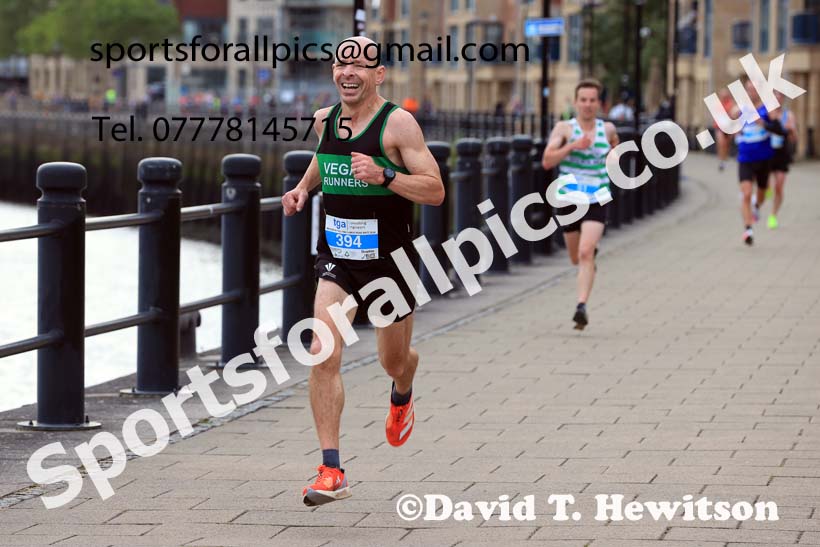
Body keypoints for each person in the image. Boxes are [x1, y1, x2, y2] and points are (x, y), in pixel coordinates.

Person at [281, 35, 445, 507]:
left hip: (390, 264)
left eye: (360, 65)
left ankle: (404, 384)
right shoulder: (324, 120)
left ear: (379, 74)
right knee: (320, 349)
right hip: (337, 258)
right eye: (340, 63)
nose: (348, 72)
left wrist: (386, 175)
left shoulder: (399, 125)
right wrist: (303, 188)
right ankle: (331, 469)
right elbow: (324, 159)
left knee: (391, 360)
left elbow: (434, 190)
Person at [541, 78, 619, 330]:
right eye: (583, 100)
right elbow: (547, 160)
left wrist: (613, 155)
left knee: (586, 251)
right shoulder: (564, 128)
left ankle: (581, 306)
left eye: (592, 100)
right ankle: (587, 263)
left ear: (600, 103)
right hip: (569, 198)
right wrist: (574, 146)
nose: (587, 105)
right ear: (575, 102)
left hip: (597, 195)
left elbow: (615, 146)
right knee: (576, 257)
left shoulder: (607, 129)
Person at [731, 78, 786, 245]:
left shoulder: (768, 109)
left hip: (764, 159)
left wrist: (762, 123)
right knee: (746, 193)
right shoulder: (740, 108)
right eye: (748, 89)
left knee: (761, 194)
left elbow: (779, 131)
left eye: (754, 89)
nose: (750, 92)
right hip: (745, 158)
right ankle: (748, 229)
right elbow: (730, 127)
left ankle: (756, 206)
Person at [766, 91, 797, 229]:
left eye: (780, 96)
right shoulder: (765, 114)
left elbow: (794, 139)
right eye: (774, 95)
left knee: (779, 186)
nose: (777, 98)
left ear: (783, 99)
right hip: (766, 153)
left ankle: (773, 215)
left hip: (782, 154)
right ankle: (758, 201)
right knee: (765, 184)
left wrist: (791, 130)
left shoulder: (788, 115)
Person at [714, 89, 735, 171]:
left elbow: (733, 115)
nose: (723, 97)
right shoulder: (718, 104)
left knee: (726, 145)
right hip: (719, 127)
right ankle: (721, 160)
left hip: (728, 127)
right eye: (722, 96)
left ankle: (725, 158)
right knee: (721, 143)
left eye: (725, 95)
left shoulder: (731, 104)